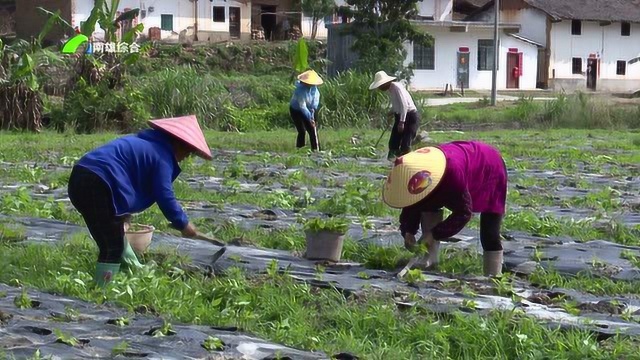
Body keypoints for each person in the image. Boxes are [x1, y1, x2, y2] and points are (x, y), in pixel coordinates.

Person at [67, 115, 213, 287]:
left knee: (112, 239)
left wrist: (123, 216)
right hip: (98, 183)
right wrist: (184, 224)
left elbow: (125, 179)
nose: (184, 158)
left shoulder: (144, 143)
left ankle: (110, 282)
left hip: (80, 178)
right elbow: (164, 195)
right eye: (187, 153)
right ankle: (100, 293)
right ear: (179, 143)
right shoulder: (162, 156)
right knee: (112, 247)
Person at [381, 141, 508, 277]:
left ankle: (493, 277)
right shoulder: (413, 172)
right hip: (458, 162)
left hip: (489, 165)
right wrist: (408, 231)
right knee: (427, 202)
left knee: (489, 232)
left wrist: (434, 234)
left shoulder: (452, 174)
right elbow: (413, 200)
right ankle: (429, 261)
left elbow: (463, 213)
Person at [369, 70, 421, 162]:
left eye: (381, 85)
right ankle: (392, 162)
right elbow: (397, 105)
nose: (380, 88)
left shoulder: (397, 88)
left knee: (405, 144)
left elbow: (404, 105)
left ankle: (407, 163)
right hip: (400, 116)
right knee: (393, 142)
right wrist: (391, 112)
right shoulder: (391, 90)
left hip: (410, 116)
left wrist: (401, 122)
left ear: (385, 83)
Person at [290, 69, 323, 152]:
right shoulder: (299, 91)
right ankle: (299, 150)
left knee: (312, 129)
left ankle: (315, 150)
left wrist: (312, 117)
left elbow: (314, 105)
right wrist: (309, 117)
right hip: (296, 110)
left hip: (310, 109)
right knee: (302, 131)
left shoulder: (315, 91)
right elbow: (302, 106)